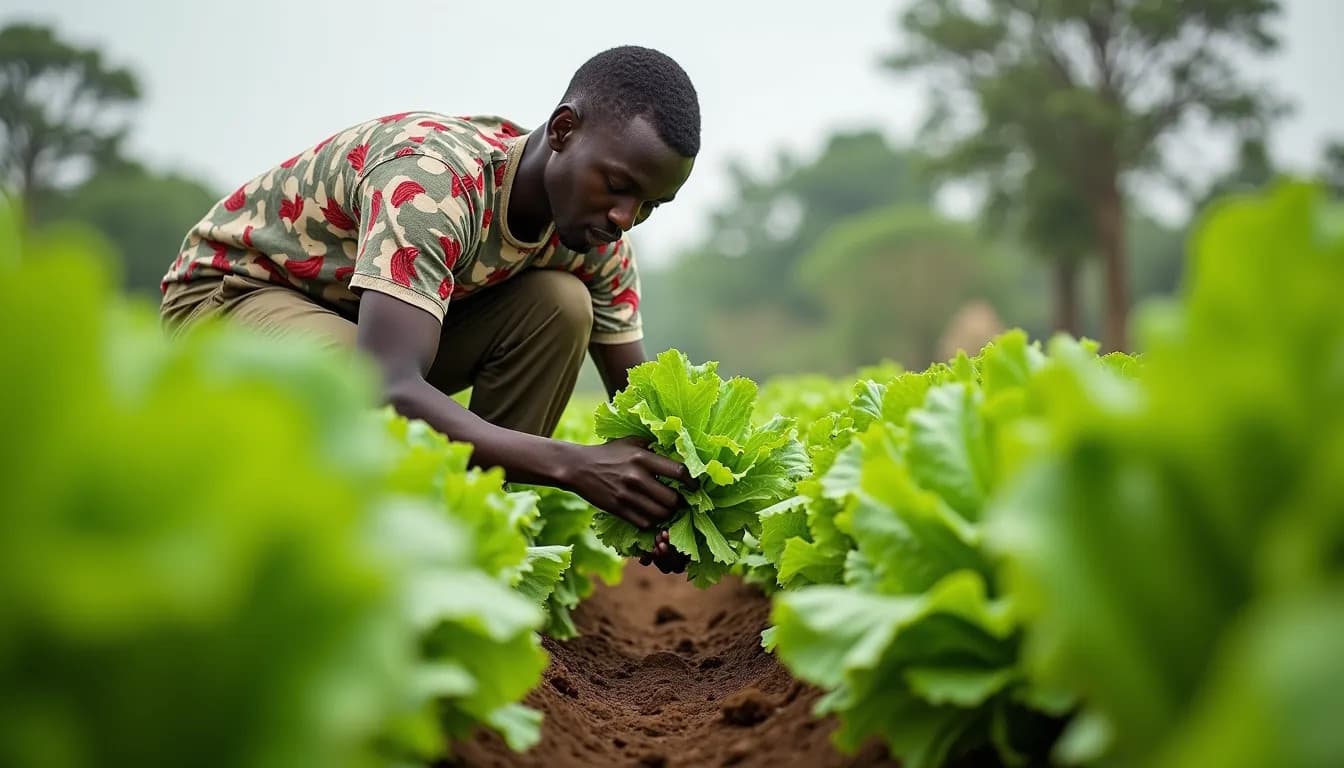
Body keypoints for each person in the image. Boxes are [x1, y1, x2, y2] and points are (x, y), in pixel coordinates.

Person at [158, 45, 699, 572]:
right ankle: (329, 562)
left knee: (563, 304)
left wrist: (670, 511)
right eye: (617, 185)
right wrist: (572, 465)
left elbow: (639, 407)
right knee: (349, 378)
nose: (625, 217)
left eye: (650, 205)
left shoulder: (597, 242)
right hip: (234, 296)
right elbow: (387, 384)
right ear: (562, 131)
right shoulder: (433, 181)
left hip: (371, 329)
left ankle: (468, 548)